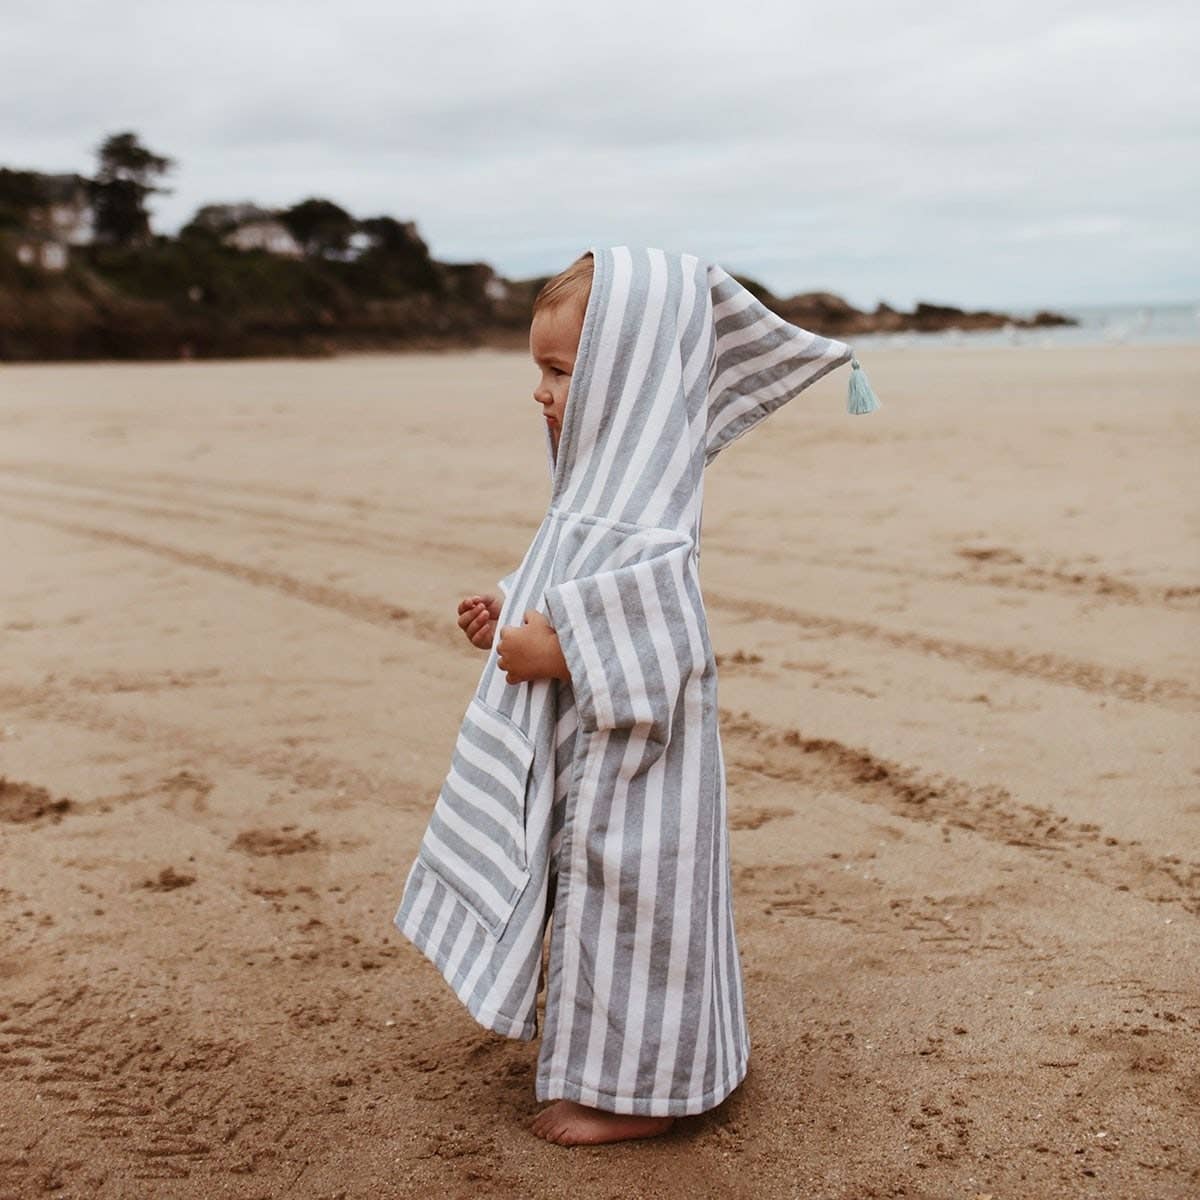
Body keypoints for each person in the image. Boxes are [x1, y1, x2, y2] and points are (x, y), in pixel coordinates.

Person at [394, 245, 878, 1147]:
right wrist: (507, 607)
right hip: (595, 769)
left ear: (630, 378)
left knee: (633, 925)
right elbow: (563, 575)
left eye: (560, 371)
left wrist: (555, 651)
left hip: (644, 785)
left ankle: (642, 1095)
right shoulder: (591, 496)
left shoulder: (653, 517)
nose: (540, 392)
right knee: (588, 916)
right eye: (539, 369)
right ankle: (613, 1075)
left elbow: (669, 643)